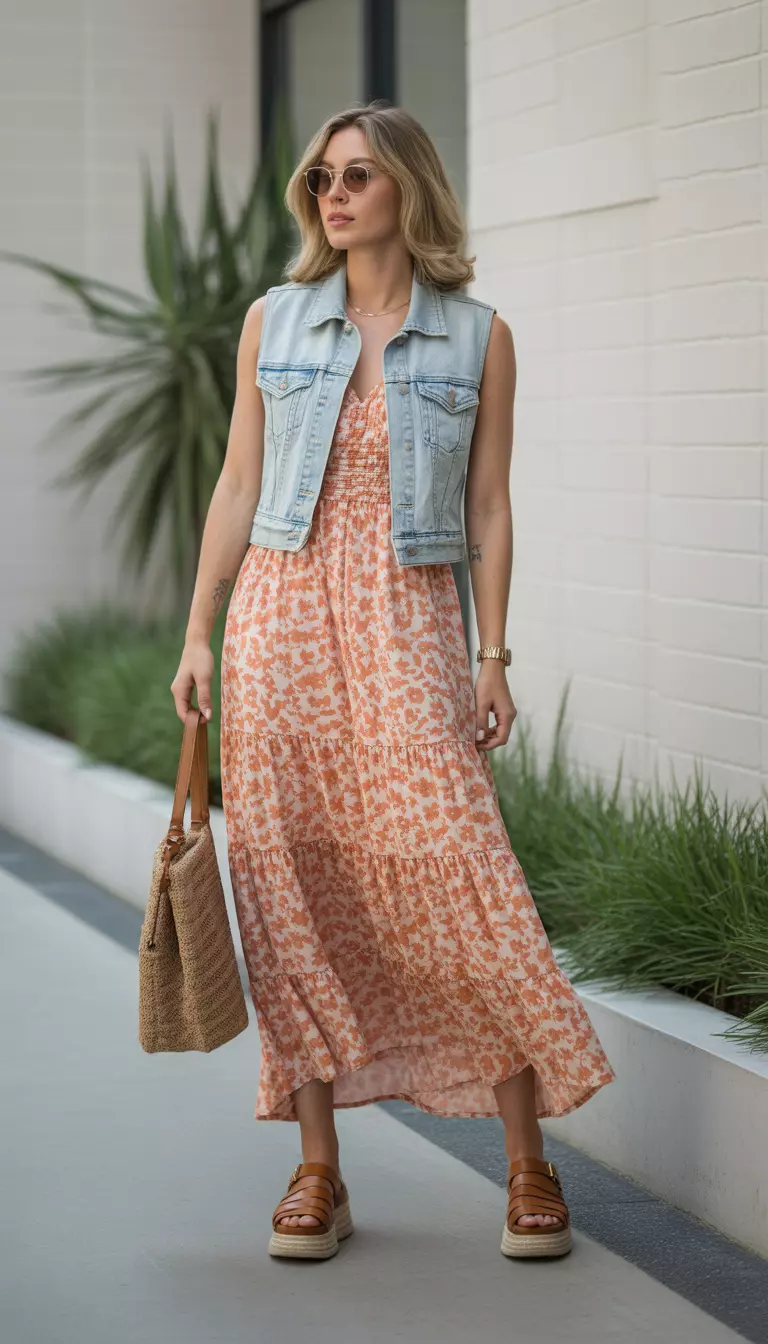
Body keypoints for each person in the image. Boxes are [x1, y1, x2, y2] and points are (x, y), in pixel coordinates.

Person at [171, 100, 615, 1264]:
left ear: (408, 188)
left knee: (460, 875)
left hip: (409, 625)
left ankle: (528, 1159)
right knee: (289, 883)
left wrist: (494, 654)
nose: (334, 193)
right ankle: (317, 1168)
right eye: (323, 176)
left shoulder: (477, 336)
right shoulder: (273, 320)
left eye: (359, 175)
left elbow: (490, 507)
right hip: (282, 623)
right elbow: (235, 486)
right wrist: (199, 634)